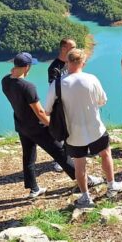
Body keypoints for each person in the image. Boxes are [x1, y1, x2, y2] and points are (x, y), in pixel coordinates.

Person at [45, 49, 122, 207]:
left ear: (67, 63)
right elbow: (102, 100)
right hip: (95, 128)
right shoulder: (91, 79)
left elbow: (47, 110)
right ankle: (111, 186)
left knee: (79, 164)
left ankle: (86, 197)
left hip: (72, 133)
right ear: (83, 63)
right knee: (105, 154)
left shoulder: (57, 84)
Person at [1, 52, 77, 198]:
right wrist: (52, 126)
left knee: (28, 157)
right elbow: (40, 112)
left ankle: (33, 188)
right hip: (37, 128)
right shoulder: (28, 87)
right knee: (60, 153)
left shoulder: (5, 81)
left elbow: (12, 78)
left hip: (22, 126)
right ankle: (82, 180)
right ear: (27, 67)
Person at [47, 38, 76, 173]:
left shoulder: (72, 63)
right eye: (72, 47)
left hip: (74, 102)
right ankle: (61, 161)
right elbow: (54, 88)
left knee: (73, 130)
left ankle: (72, 154)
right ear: (64, 48)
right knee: (62, 133)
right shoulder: (54, 68)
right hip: (61, 105)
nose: (75, 50)